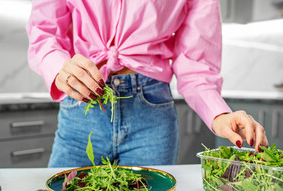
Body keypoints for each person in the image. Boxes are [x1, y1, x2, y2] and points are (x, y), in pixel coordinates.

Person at [26, 0, 268, 167]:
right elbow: (45, 30)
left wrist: (219, 114)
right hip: (81, 109)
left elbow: (197, 64)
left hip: (151, 118)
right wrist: (59, 67)